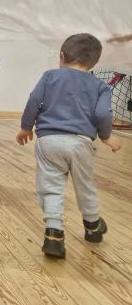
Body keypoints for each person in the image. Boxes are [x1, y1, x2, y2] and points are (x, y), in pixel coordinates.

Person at [16, 33, 121, 259]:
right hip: (81, 143)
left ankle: (54, 234)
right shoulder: (100, 86)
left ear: (62, 56)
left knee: (51, 187)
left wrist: (26, 127)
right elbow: (103, 114)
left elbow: (34, 100)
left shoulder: (49, 76)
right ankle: (92, 225)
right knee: (85, 185)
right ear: (93, 63)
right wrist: (106, 136)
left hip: (49, 141)